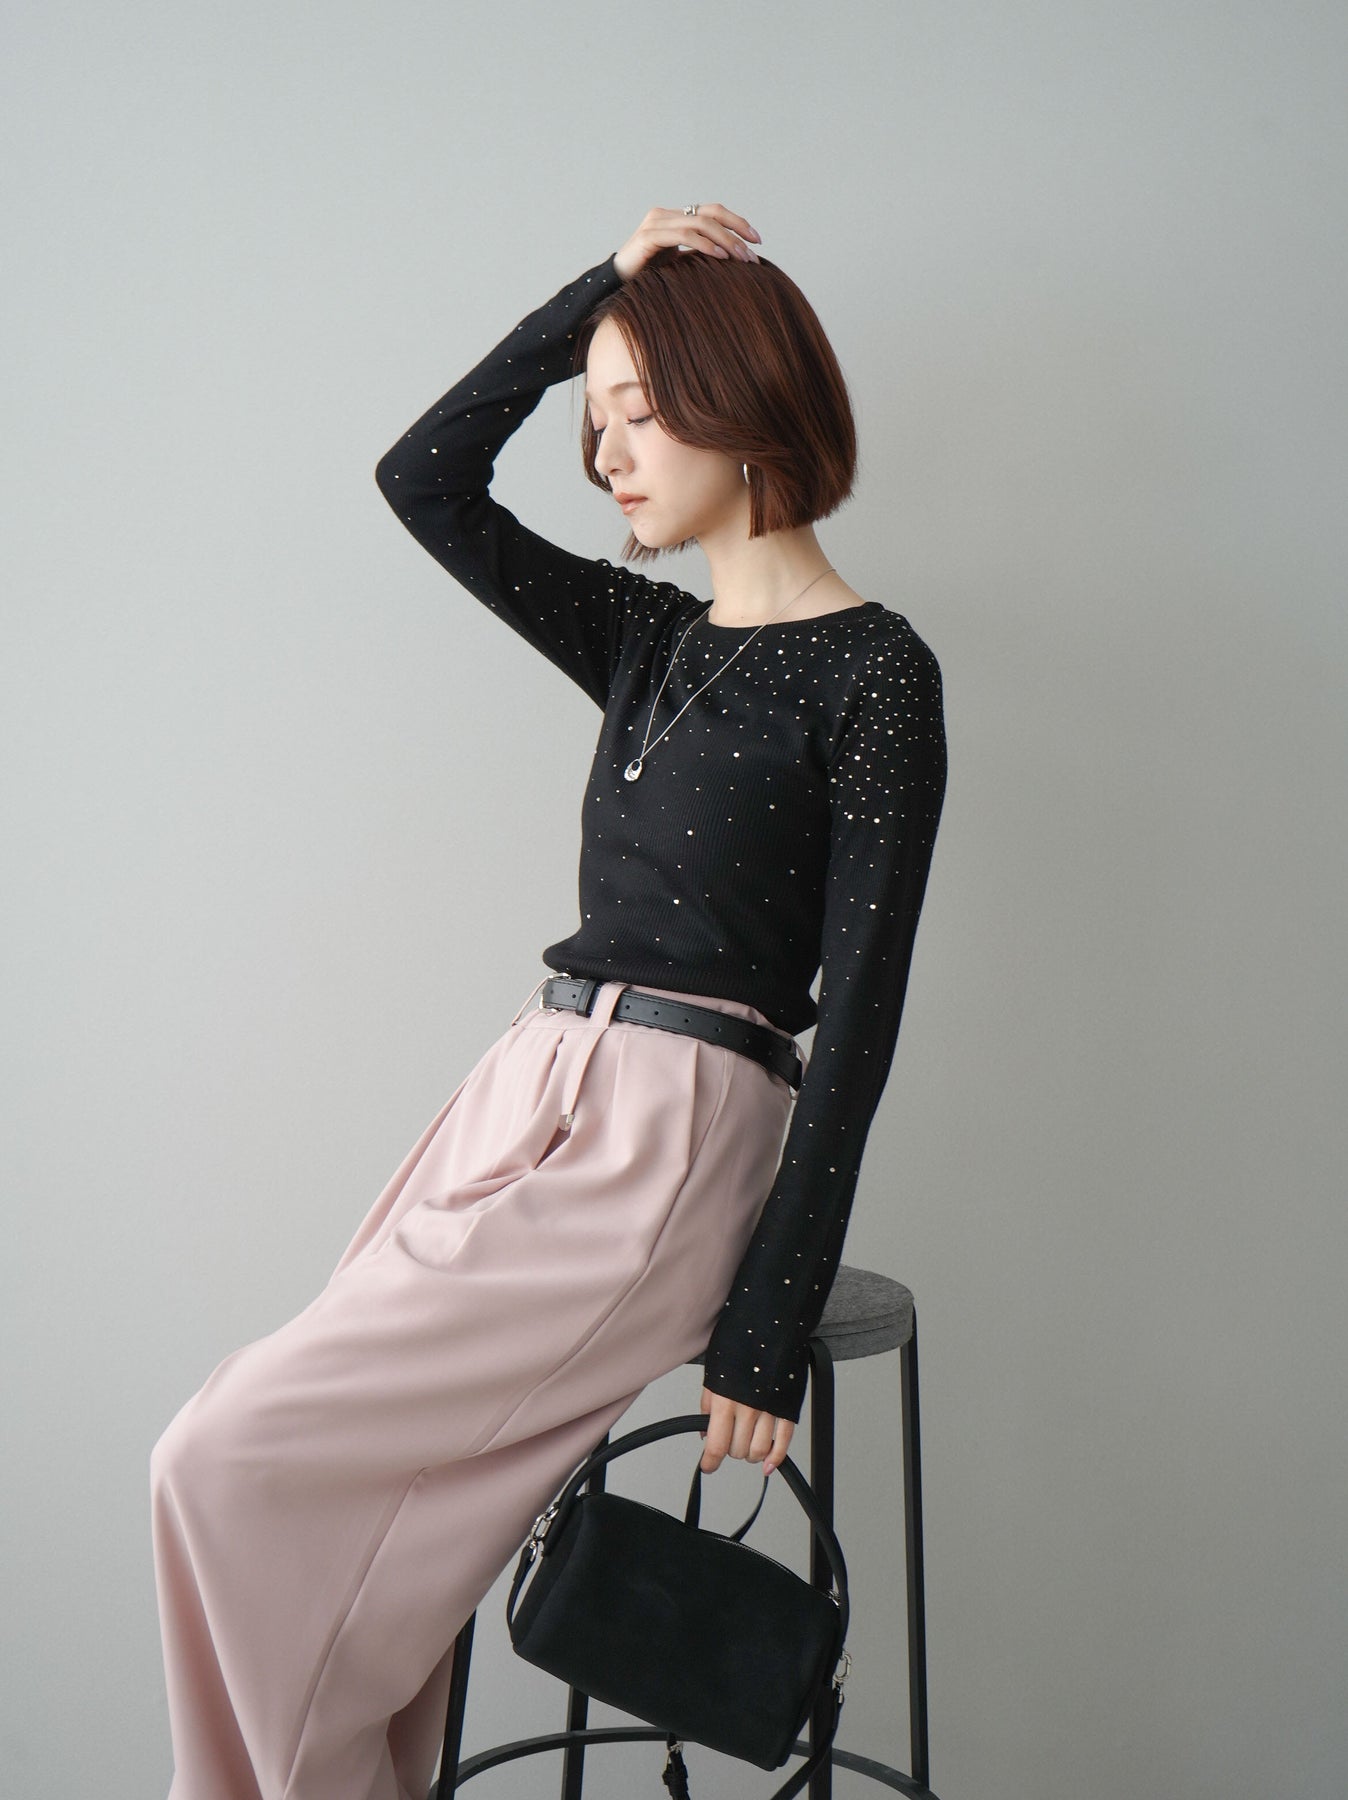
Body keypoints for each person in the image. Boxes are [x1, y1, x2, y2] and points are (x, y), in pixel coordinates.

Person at [149, 202, 947, 1800]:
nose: (606, 455)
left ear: (743, 401)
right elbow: (425, 478)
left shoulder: (876, 674)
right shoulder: (649, 637)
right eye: (597, 416)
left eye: (640, 412)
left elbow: (860, 1023)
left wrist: (767, 1324)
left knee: (221, 1452)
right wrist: (602, 289)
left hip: (677, 1132)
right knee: (308, 1479)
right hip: (525, 1083)